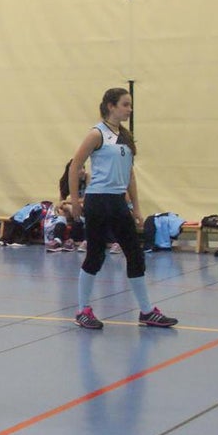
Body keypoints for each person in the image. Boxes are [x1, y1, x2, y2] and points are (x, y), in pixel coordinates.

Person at [69, 88, 178, 330]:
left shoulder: (125, 137)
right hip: (98, 201)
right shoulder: (97, 134)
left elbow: (130, 174)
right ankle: (82, 310)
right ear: (111, 106)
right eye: (125, 105)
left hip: (118, 202)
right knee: (96, 255)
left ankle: (147, 311)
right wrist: (75, 200)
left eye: (130, 105)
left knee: (135, 255)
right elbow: (75, 164)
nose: (129, 109)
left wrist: (136, 208)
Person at [44, 159, 88, 252]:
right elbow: (61, 202)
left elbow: (87, 199)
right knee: (62, 211)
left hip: (85, 208)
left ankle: (72, 239)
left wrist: (67, 203)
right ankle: (57, 240)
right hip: (72, 209)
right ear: (71, 171)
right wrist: (66, 205)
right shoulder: (65, 181)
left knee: (76, 208)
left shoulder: (87, 177)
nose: (83, 171)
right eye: (80, 168)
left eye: (84, 168)